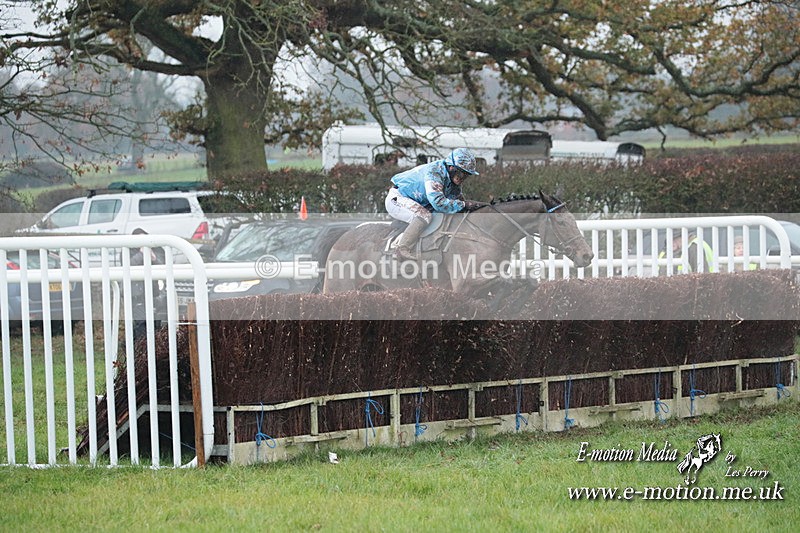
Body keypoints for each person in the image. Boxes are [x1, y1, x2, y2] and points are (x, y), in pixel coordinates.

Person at [385, 147, 488, 260]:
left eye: (467, 175)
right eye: (461, 173)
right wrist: (465, 205)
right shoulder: (435, 172)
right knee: (424, 215)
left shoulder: (451, 178)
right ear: (451, 167)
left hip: (416, 201)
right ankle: (402, 249)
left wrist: (476, 207)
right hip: (397, 199)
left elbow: (458, 203)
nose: (463, 178)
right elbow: (439, 203)